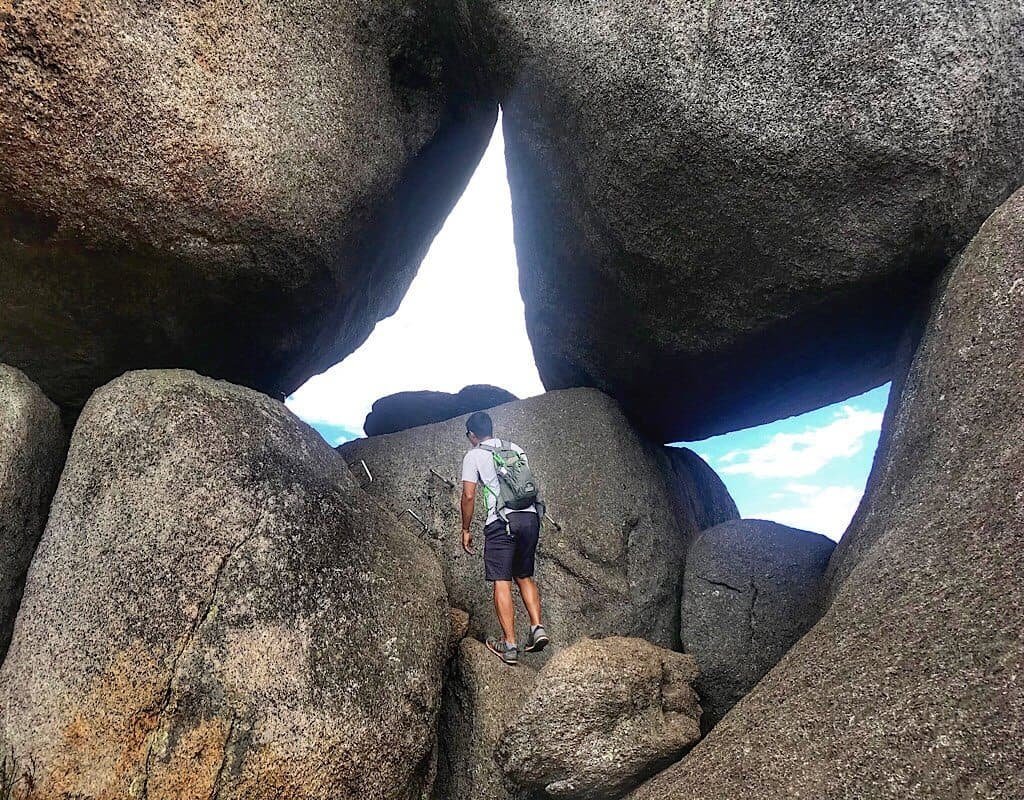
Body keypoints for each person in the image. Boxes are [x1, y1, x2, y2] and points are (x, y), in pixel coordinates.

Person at [460, 411, 549, 666]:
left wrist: (466, 529)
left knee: (502, 581)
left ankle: (509, 645)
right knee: (524, 575)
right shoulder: (515, 448)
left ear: (472, 435)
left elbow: (468, 496)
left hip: (501, 522)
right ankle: (537, 627)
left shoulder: (474, 455)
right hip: (530, 519)